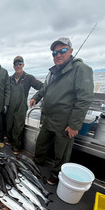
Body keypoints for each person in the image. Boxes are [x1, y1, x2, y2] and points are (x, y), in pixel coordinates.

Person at [30, 37, 94, 185]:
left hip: (65, 121)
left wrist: (74, 125)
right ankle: (37, 161)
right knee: (41, 143)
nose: (58, 55)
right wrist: (36, 97)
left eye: (62, 51)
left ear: (71, 51)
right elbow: (45, 88)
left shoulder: (81, 69)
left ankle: (56, 174)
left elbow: (84, 99)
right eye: (54, 53)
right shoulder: (52, 72)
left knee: (62, 152)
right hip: (48, 118)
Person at [6, 56, 43, 155]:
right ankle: (10, 141)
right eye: (15, 64)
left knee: (18, 127)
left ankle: (16, 147)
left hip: (21, 107)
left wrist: (35, 97)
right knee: (9, 126)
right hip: (10, 107)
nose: (17, 66)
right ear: (13, 66)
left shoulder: (29, 77)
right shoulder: (10, 79)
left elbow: (42, 87)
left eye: (19, 63)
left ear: (23, 65)